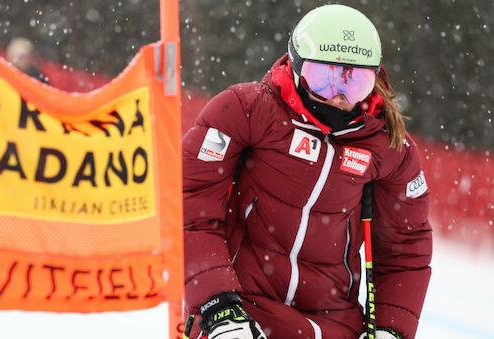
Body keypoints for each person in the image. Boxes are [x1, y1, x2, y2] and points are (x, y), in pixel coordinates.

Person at [182, 4, 432, 339]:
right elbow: (191, 205)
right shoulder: (247, 110)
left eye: (355, 82)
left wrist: (392, 331)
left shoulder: (388, 148)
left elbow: (406, 249)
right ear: (297, 68)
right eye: (323, 79)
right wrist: (218, 304)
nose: (339, 97)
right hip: (243, 310)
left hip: (335, 325)